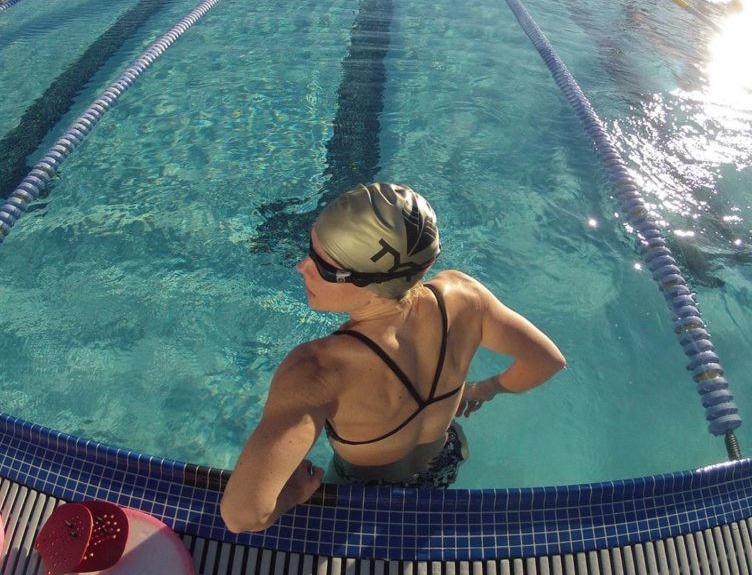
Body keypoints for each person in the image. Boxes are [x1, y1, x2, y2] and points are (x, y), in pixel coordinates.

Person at [220, 183, 566, 533]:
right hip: (445, 462)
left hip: (366, 492)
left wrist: (293, 492)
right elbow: (546, 361)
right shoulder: (466, 297)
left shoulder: (317, 370)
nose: (301, 266)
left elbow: (242, 515)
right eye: (310, 249)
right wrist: (486, 389)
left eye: (325, 267)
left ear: (373, 282)